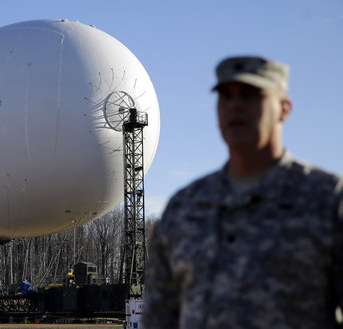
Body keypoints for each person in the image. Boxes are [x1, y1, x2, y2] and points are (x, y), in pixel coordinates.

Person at [143, 55, 343, 328]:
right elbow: (159, 319)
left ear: (284, 108)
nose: (235, 105)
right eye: (225, 96)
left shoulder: (327, 200)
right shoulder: (184, 208)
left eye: (250, 95)